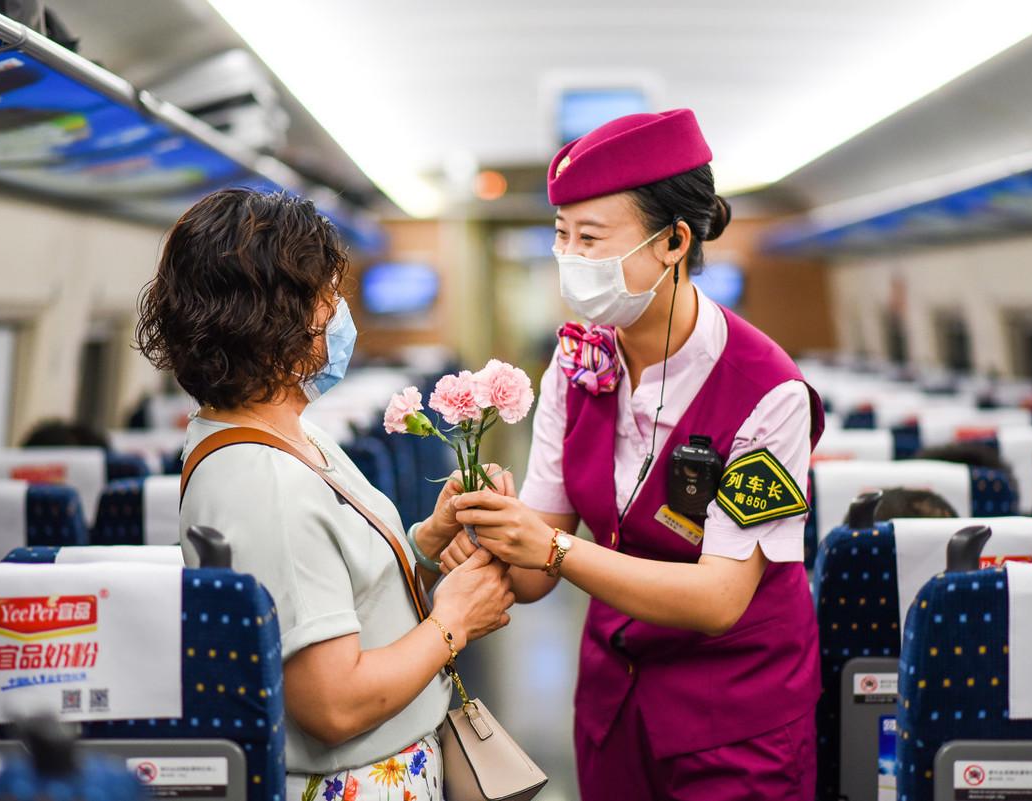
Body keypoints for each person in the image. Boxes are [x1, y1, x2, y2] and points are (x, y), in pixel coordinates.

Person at [442, 110, 826, 800]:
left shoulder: (768, 392)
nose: (569, 259)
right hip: (614, 705)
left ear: (675, 240)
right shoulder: (575, 365)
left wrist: (550, 549)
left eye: (590, 238)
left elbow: (718, 599)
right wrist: (487, 531)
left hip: (738, 719)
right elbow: (535, 577)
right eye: (562, 236)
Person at [135, 189, 514, 798]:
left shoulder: (285, 434)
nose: (339, 313)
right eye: (327, 296)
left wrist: (426, 539)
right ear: (277, 321)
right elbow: (333, 705)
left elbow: (336, 593)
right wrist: (454, 621)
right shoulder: (263, 482)